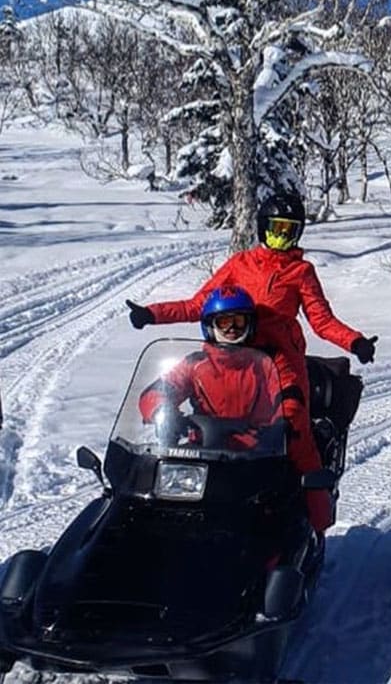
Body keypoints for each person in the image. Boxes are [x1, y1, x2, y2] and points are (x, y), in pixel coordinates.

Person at [124, 191, 376, 533]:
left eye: (290, 230)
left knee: (295, 432)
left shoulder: (301, 271)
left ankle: (313, 524)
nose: (282, 237)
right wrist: (152, 314)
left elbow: (321, 320)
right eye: (276, 229)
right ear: (262, 228)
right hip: (230, 353)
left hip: (280, 361)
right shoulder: (240, 264)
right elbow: (200, 303)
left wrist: (355, 341)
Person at [138, 286, 283, 451]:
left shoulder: (264, 364)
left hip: (255, 453)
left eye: (239, 322)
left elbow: (282, 401)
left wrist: (279, 425)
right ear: (210, 325)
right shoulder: (195, 364)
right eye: (224, 323)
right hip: (203, 450)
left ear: (249, 323)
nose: (232, 329)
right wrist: (162, 411)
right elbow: (155, 392)